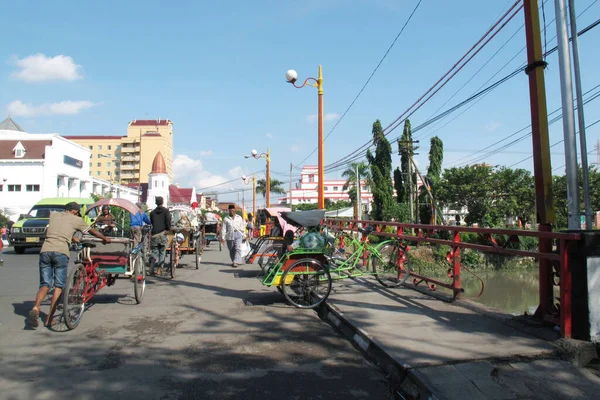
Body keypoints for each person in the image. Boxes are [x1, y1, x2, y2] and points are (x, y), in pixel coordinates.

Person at [27, 202, 110, 328]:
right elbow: (92, 231)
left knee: (44, 284)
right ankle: (49, 319)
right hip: (60, 252)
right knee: (58, 286)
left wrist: (71, 238)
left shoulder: (53, 215)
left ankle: (36, 307)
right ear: (75, 211)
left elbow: (58, 230)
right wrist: (104, 238)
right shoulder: (77, 219)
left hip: (45, 250)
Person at [149, 196, 171, 275]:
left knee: (154, 252)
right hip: (162, 233)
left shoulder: (152, 213)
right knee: (162, 251)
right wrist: (168, 229)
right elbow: (168, 221)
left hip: (154, 234)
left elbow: (151, 222)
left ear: (156, 203)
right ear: (162, 202)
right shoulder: (166, 211)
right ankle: (159, 268)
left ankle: (151, 268)